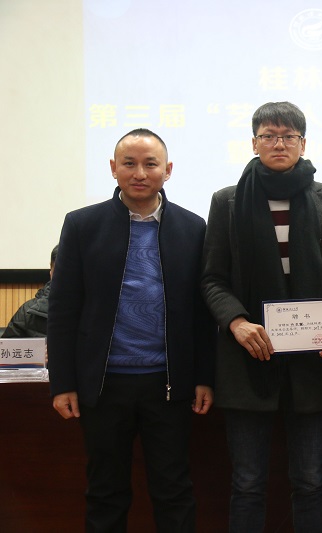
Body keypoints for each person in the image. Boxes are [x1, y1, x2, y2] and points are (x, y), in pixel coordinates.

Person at [47, 128, 215, 532]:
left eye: (150, 164)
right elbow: (63, 309)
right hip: (103, 385)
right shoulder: (82, 225)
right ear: (113, 168)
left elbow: (201, 312)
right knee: (105, 491)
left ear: (168, 170)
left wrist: (204, 377)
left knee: (174, 489)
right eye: (129, 163)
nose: (140, 173)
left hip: (168, 384)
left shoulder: (193, 228)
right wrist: (62, 383)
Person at [201, 101, 322, 533]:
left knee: (310, 481)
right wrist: (236, 322)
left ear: (303, 143)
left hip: (312, 363)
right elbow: (212, 278)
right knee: (248, 483)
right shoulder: (228, 201)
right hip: (247, 361)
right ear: (254, 143)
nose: (278, 144)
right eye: (269, 136)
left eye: (288, 136)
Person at [2, 244, 58, 338]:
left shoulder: (86, 311)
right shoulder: (28, 312)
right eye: (59, 272)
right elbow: (8, 346)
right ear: (51, 272)